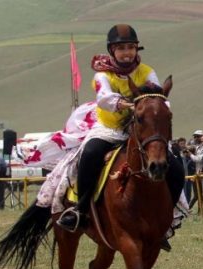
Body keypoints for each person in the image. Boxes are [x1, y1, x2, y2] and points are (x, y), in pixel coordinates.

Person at [56, 24, 184, 236]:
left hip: (140, 132)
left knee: (177, 168)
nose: (127, 52)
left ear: (136, 49)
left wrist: (159, 107)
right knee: (89, 155)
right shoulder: (103, 75)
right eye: (121, 48)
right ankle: (80, 210)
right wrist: (130, 105)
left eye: (131, 47)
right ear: (112, 51)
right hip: (110, 130)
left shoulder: (147, 72)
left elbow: (157, 94)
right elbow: (105, 98)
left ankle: (167, 217)